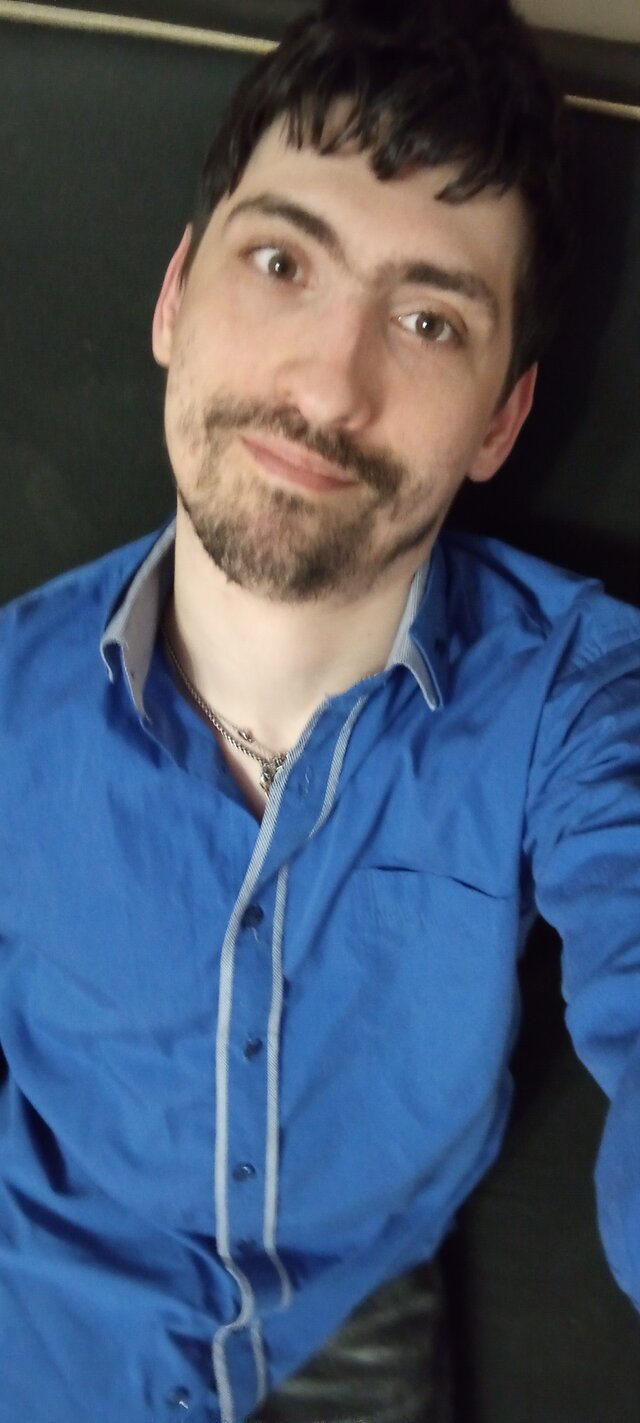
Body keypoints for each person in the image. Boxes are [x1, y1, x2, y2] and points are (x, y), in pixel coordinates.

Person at [0, 1, 638, 1421]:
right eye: (283, 262)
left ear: (501, 418)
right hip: (51, 1308)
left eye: (428, 319)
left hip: (346, 1303)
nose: (327, 385)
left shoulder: (578, 700)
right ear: (176, 296)